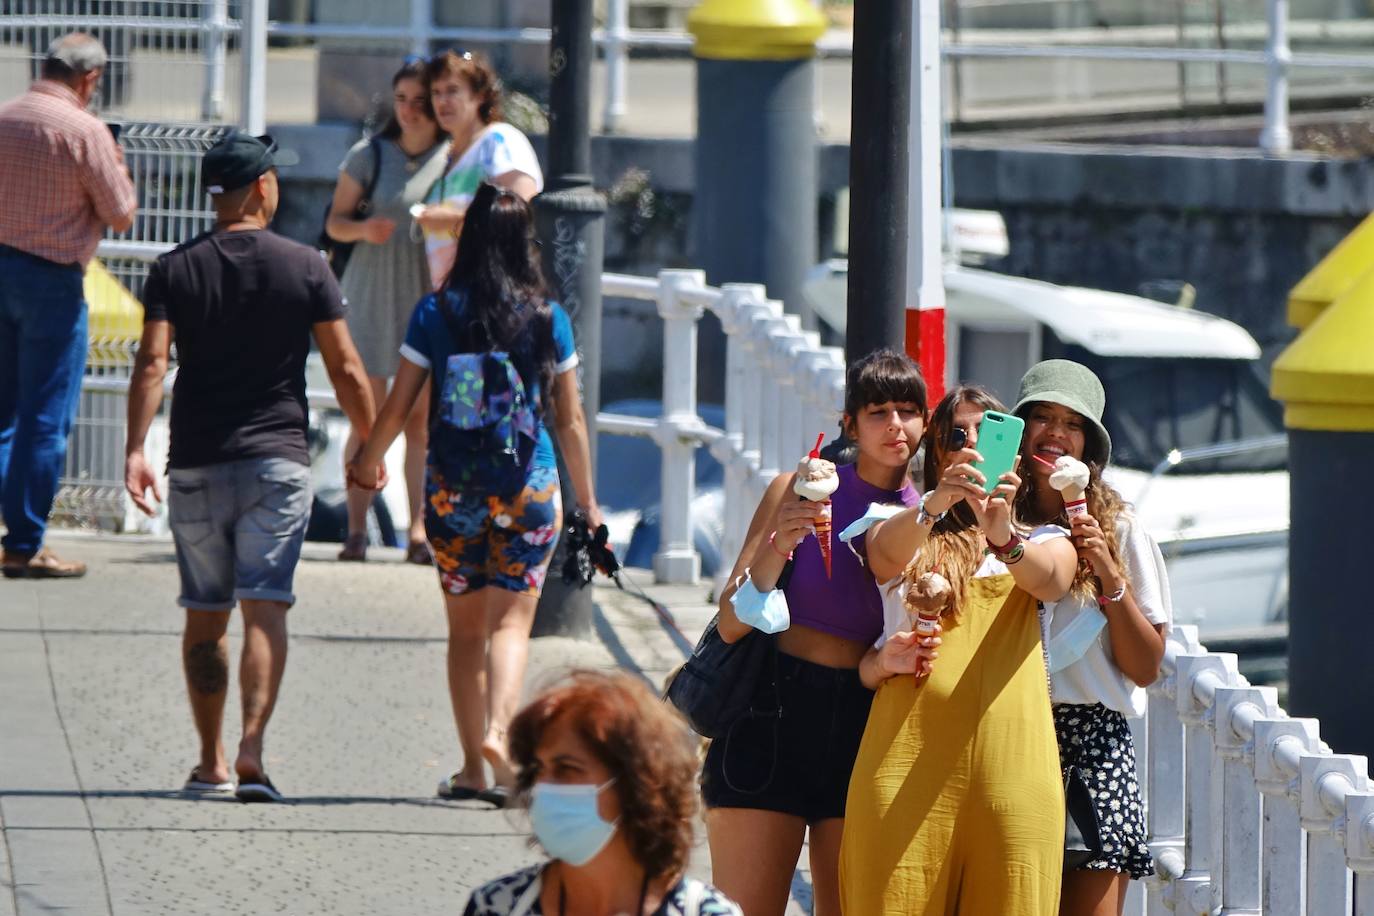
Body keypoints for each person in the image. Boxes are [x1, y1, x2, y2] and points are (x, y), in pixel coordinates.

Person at [123, 132, 381, 802]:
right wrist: (369, 445)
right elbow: (348, 367)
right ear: (263, 188)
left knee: (205, 613)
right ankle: (251, 752)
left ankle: (207, 761)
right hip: (278, 463)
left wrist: (133, 447)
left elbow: (152, 363)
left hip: (197, 463)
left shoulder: (172, 269)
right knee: (264, 608)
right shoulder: (306, 266)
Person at [349, 182, 601, 806]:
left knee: (464, 632)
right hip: (529, 484)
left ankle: (470, 769)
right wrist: (588, 502)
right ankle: (498, 732)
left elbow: (402, 401)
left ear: (466, 240)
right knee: (512, 623)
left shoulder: (436, 312)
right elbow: (568, 419)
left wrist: (368, 460)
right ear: (525, 244)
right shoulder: (550, 317)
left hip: (451, 489)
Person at [840, 383, 1080, 915]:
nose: (972, 443)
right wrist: (937, 502)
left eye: (987, 431)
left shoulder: (1043, 539)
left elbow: (1051, 582)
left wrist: (1002, 534)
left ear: (1013, 454)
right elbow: (884, 557)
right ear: (938, 451)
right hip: (905, 760)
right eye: (957, 433)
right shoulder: (899, 525)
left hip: (1012, 770)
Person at [702, 348, 925, 916]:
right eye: (877, 412)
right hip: (770, 709)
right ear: (848, 423)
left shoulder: (925, 516)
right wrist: (782, 541)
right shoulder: (795, 490)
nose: (895, 425)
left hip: (866, 718)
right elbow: (731, 620)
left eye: (908, 410)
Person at [1010, 360, 1168, 916]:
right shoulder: (991, 517)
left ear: (1090, 446)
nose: (1056, 433)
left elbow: (1147, 666)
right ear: (1020, 428)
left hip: (1093, 743)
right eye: (1043, 418)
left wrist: (1108, 574)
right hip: (1005, 736)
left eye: (1072, 423)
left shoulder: (1120, 528)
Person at [0, 32, 136, 579]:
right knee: (45, 417)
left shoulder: (6, 117)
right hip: (53, 280)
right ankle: (25, 542)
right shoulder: (86, 131)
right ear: (91, 77)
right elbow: (122, 212)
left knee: (4, 411)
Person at [462, 670, 742, 915]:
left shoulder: (707, 913)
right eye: (536, 769)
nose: (543, 786)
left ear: (635, 785)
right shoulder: (495, 906)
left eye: (567, 769)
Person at [326, 56, 449, 565]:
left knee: (420, 424)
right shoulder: (368, 154)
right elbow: (333, 223)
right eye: (402, 100)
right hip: (371, 295)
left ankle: (417, 533)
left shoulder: (453, 158)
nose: (412, 111)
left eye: (421, 102)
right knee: (367, 420)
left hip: (421, 297)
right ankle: (356, 531)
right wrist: (363, 229)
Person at [413, 50, 541, 290]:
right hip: (451, 299)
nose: (442, 101)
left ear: (480, 95)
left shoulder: (500, 141)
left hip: (495, 297)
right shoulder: (447, 156)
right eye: (436, 92)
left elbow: (519, 217)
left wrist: (452, 221)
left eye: (452, 90)